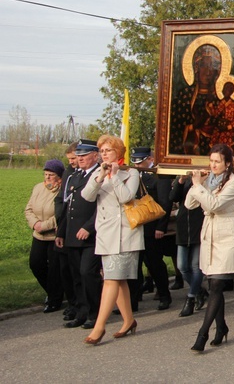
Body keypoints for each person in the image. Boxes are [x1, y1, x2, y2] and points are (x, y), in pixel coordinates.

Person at [80, 135, 144, 344]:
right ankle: (129, 321)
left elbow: (127, 197)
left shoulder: (131, 172)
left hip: (126, 234)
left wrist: (115, 176)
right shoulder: (99, 173)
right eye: (102, 150)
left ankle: (99, 327)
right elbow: (87, 197)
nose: (104, 154)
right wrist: (100, 177)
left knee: (111, 280)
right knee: (118, 279)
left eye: (108, 150)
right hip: (106, 233)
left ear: (118, 152)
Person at [185, 143, 234, 351]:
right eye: (211, 161)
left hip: (227, 233)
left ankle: (202, 334)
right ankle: (221, 327)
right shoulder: (208, 181)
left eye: (217, 161)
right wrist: (198, 184)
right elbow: (189, 205)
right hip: (210, 232)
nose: (213, 165)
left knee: (218, 284)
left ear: (227, 163)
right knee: (213, 285)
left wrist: (198, 186)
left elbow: (214, 205)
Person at [55, 139, 102, 330]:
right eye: (79, 156)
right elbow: (69, 206)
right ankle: (82, 312)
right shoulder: (74, 176)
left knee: (88, 272)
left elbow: (102, 207)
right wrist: (61, 231)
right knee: (76, 275)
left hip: (91, 234)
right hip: (73, 233)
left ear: (94, 156)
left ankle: (95, 313)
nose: (80, 159)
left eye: (83, 156)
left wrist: (89, 227)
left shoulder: (100, 174)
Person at [130, 147, 173, 311]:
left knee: (154, 262)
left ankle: (164, 295)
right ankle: (133, 299)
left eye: (140, 161)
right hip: (137, 224)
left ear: (149, 159)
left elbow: (164, 202)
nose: (137, 164)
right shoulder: (133, 175)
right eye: (135, 161)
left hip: (152, 226)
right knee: (135, 263)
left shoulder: (158, 175)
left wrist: (161, 227)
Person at [25, 159, 65, 313]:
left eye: (51, 175)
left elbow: (62, 214)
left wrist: (45, 225)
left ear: (59, 177)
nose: (47, 178)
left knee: (55, 269)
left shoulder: (62, 191)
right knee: (36, 264)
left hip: (54, 235)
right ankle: (54, 292)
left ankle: (55, 300)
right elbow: (28, 209)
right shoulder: (37, 188)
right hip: (38, 234)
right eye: (46, 174)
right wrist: (35, 224)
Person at [170, 171, 207, 317]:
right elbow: (173, 197)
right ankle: (199, 290)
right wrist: (181, 181)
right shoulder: (182, 181)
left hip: (199, 225)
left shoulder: (206, 180)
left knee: (195, 266)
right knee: (182, 266)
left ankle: (191, 298)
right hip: (183, 227)